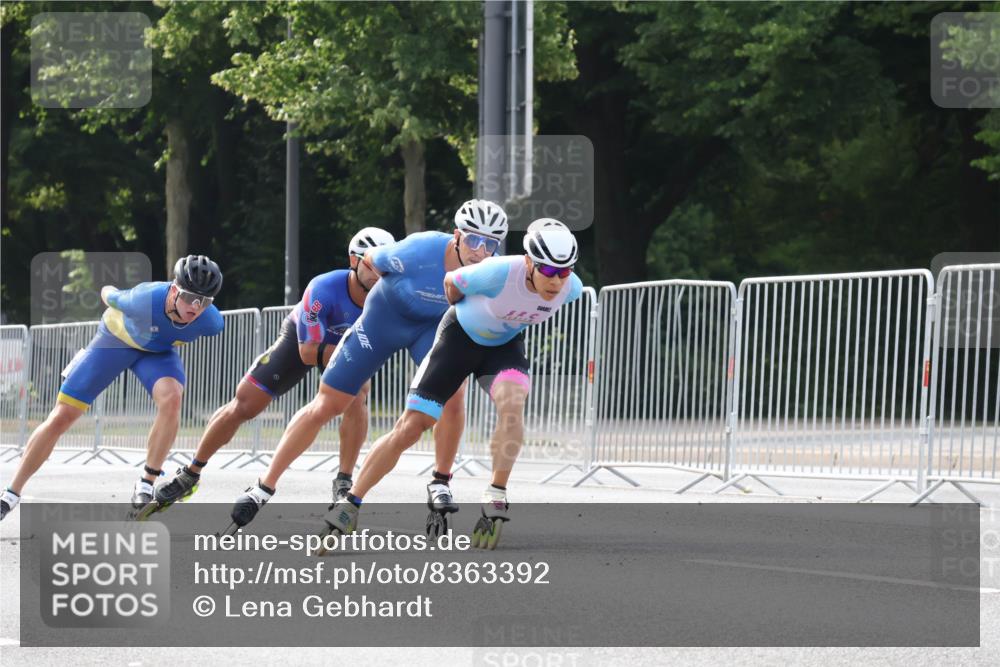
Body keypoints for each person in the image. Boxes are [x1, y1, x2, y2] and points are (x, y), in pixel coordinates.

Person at [222, 200, 510, 531]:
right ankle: (263, 486)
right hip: (383, 321)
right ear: (457, 236)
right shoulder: (419, 248)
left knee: (454, 393)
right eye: (474, 240)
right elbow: (372, 259)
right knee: (329, 404)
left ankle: (441, 481)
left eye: (491, 244)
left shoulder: (493, 266)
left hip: (429, 329)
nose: (481, 251)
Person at [320, 219, 583, 549]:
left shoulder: (571, 288)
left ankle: (496, 494)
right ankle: (351, 503)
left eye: (565, 271)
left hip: (502, 348)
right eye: (548, 270)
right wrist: (466, 309)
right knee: (412, 427)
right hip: (458, 339)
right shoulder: (498, 272)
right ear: (529, 261)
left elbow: (557, 291)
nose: (557, 281)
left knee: (513, 404)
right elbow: (451, 282)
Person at [142, 228, 394, 517]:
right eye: (372, 266)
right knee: (245, 404)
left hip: (344, 346)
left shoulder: (388, 297)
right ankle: (191, 473)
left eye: (385, 267)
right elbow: (308, 353)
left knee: (359, 394)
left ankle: (344, 480)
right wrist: (357, 356)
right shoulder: (324, 288)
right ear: (354, 261)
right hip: (303, 341)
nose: (379, 275)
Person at [0, 255, 224, 521]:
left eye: (205, 301)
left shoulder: (211, 321)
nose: (195, 307)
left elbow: (195, 319)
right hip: (114, 342)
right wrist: (106, 289)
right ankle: (10, 495)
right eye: (189, 297)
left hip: (156, 354)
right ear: (174, 290)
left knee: (173, 398)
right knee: (62, 416)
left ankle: (145, 483)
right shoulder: (144, 299)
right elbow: (110, 294)